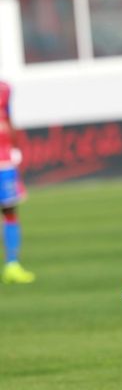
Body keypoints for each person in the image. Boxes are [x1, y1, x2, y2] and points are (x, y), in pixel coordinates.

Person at [0, 80, 35, 285]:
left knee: (10, 210)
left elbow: (8, 118)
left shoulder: (4, 89)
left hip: (4, 160)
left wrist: (15, 147)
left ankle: (12, 265)